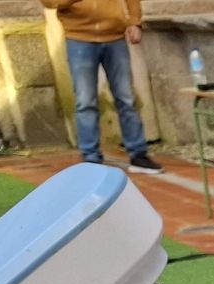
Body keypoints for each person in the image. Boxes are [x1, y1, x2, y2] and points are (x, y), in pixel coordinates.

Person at [42, 0, 164, 175]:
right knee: (85, 101)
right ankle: (91, 158)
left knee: (126, 98)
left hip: (115, 37)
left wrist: (135, 22)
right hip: (78, 39)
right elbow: (50, 3)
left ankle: (138, 155)